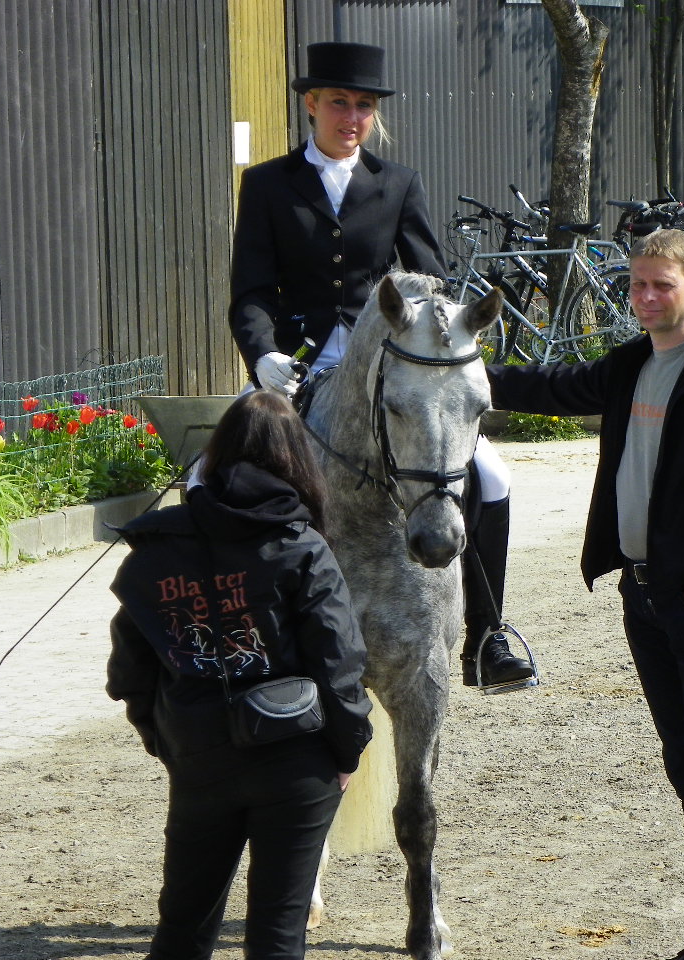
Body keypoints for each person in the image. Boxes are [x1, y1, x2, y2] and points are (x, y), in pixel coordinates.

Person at [487, 229, 684, 960]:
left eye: (661, 285)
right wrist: (470, 371)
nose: (645, 297)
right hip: (644, 599)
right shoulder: (632, 363)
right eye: (637, 284)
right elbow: (556, 387)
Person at [227, 41, 532, 689]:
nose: (352, 117)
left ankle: (487, 636)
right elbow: (251, 292)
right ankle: (233, 632)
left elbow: (433, 283)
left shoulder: (397, 183)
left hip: (389, 366)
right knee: (213, 473)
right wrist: (263, 355)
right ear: (312, 105)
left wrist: (437, 340)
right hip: (298, 367)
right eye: (340, 103)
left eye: (364, 105)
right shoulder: (267, 185)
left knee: (491, 474)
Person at [106, 390, 374, 959]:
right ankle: (489, 626)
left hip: (198, 754)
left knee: (182, 926)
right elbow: (338, 661)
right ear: (296, 459)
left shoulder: (155, 549)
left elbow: (130, 670)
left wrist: (168, 740)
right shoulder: (301, 545)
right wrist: (347, 751)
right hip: (297, 755)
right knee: (278, 932)